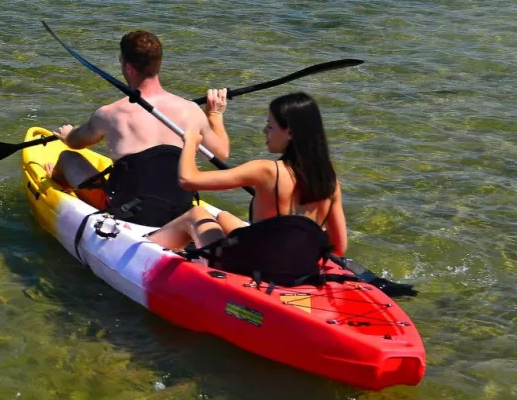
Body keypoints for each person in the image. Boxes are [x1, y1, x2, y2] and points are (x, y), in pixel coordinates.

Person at [146, 90, 348, 279]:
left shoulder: (266, 171)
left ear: (290, 133)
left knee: (196, 214)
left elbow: (188, 180)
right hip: (298, 268)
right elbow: (339, 247)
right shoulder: (330, 182)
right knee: (224, 217)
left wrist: (190, 141)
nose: (264, 131)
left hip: (253, 269)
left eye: (270, 126)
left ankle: (143, 247)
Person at [49, 30, 231, 226]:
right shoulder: (192, 110)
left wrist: (67, 134)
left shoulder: (110, 114)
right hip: (179, 210)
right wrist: (215, 115)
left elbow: (76, 143)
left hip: (128, 212)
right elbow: (221, 154)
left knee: (68, 158)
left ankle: (55, 188)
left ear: (129, 67)